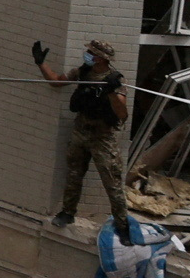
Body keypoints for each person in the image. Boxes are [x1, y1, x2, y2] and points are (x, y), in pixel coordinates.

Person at [35, 39, 130, 227]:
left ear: (101, 59)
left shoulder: (115, 80)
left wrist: (111, 91)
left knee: (112, 181)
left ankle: (122, 224)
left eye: (91, 53)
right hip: (80, 131)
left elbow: (122, 113)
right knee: (74, 174)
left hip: (102, 137)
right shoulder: (82, 72)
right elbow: (56, 82)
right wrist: (41, 63)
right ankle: (67, 212)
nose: (87, 55)